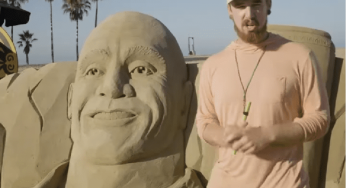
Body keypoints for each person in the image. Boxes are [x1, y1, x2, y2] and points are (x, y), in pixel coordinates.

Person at [195, 0, 330, 187]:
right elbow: (204, 122)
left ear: (268, 6)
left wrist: (268, 134)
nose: (249, 14)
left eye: (256, 4)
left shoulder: (300, 55)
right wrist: (225, 136)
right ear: (230, 10)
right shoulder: (212, 65)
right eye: (240, 5)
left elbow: (319, 119)